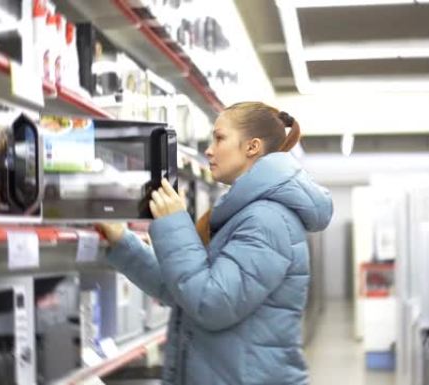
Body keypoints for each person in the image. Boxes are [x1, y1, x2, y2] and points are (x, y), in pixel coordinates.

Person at [98, 102, 333, 385]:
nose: (209, 149)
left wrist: (174, 224)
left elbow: (211, 303)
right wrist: (123, 242)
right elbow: (183, 290)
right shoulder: (242, 214)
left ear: (252, 147)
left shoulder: (267, 221)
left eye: (219, 138)